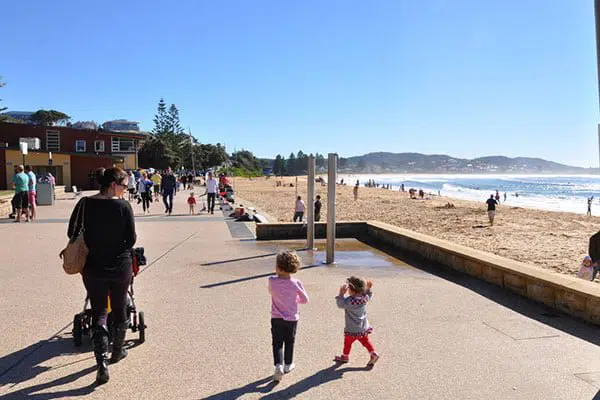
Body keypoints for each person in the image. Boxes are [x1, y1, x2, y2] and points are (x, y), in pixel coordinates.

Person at [67, 167, 136, 385]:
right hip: (120, 267)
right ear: (113, 185)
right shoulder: (123, 206)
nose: (125, 190)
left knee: (98, 312)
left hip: (93, 266)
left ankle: (101, 364)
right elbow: (131, 239)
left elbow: (72, 232)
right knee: (119, 308)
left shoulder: (85, 204)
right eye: (124, 186)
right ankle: (117, 351)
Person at [268, 251, 309, 382]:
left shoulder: (272, 280)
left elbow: (271, 292)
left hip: (276, 317)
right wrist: (294, 299)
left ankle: (278, 365)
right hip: (291, 318)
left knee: (277, 343)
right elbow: (305, 299)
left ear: (278, 268)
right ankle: (288, 364)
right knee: (290, 341)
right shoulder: (296, 283)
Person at [334, 276, 379, 366]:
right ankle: (373, 354)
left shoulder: (349, 302)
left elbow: (340, 304)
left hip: (352, 329)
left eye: (349, 289)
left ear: (353, 291)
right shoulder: (365, 298)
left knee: (347, 343)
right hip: (363, 327)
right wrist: (368, 289)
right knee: (365, 341)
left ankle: (345, 356)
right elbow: (369, 295)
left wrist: (341, 294)